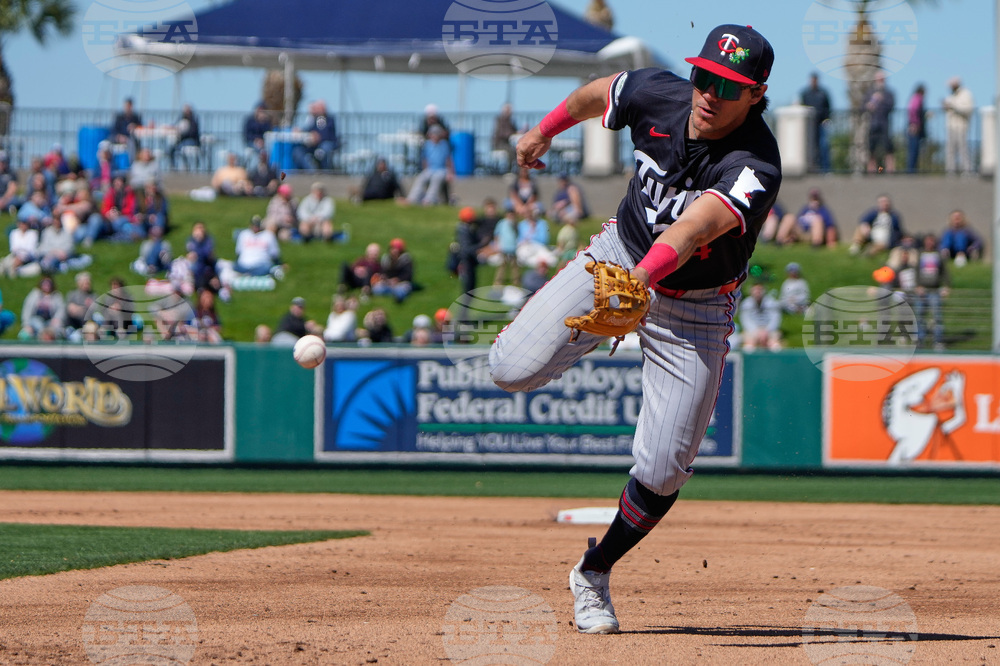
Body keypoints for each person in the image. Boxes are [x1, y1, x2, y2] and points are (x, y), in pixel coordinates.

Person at [488, 24, 780, 634]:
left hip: (694, 303)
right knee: (509, 370)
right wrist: (543, 131)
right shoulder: (657, 92)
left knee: (666, 468)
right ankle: (588, 338)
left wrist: (642, 282)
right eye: (704, 75)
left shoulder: (755, 164)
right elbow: (599, 92)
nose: (709, 91)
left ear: (756, 95)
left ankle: (593, 571)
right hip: (617, 254)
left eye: (729, 86)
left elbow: (694, 229)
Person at [912, 233, 949, 350]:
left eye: (932, 241)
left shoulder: (938, 255)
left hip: (935, 290)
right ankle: (920, 340)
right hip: (922, 290)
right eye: (928, 241)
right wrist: (917, 286)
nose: (929, 243)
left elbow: (945, 272)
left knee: (937, 316)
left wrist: (947, 286)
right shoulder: (920, 254)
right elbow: (916, 271)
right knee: (919, 315)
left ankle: (938, 341)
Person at [405, 125, 453, 206]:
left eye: (437, 134)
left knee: (436, 179)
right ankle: (411, 199)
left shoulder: (444, 145)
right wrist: (425, 169)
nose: (434, 136)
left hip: (442, 170)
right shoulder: (427, 145)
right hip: (430, 169)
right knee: (421, 178)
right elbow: (425, 160)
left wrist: (450, 173)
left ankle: (428, 200)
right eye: (433, 134)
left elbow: (448, 160)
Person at [294, 100, 340, 171]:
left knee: (324, 149)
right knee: (298, 151)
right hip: (312, 145)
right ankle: (312, 171)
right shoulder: (313, 120)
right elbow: (308, 130)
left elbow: (327, 134)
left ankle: (326, 171)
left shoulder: (330, 120)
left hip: (325, 144)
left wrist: (319, 138)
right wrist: (300, 131)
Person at [943, 77, 975, 175]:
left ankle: (967, 170)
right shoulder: (950, 95)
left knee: (963, 148)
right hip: (951, 126)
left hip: (961, 126)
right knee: (950, 149)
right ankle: (950, 170)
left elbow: (968, 109)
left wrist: (955, 107)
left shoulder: (966, 94)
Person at [800, 72, 831, 172]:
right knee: (810, 146)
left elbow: (828, 107)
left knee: (823, 145)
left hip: (821, 123)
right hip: (809, 125)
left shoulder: (823, 93)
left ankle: (825, 169)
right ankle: (812, 168)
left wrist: (827, 119)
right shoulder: (806, 94)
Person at [866, 72, 895, 174]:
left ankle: (890, 171)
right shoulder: (870, 93)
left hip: (884, 125)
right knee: (871, 149)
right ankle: (872, 172)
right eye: (878, 79)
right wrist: (869, 105)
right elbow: (863, 107)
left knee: (888, 148)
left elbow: (891, 106)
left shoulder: (888, 93)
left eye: (882, 79)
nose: (880, 82)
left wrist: (882, 100)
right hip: (873, 124)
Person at [740, 282, 783, 351]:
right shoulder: (746, 303)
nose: (757, 292)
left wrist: (766, 331)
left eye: (759, 290)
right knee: (749, 346)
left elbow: (775, 320)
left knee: (775, 345)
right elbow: (746, 321)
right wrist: (757, 332)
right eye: (755, 290)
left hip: (770, 330)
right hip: (752, 330)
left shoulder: (772, 302)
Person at [371, 238, 414, 302]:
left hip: (401, 283)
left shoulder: (406, 260)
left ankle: (398, 297)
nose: (394, 251)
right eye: (393, 249)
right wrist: (384, 278)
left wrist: (397, 279)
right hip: (387, 283)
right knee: (377, 289)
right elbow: (382, 272)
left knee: (401, 290)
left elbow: (408, 275)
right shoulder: (386, 259)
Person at [454, 206, 480, 295]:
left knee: (471, 287)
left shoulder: (466, 228)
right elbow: (467, 248)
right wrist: (480, 246)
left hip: (468, 261)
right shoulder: (463, 230)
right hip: (466, 261)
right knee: (468, 287)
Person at [169, 104, 201, 170]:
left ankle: (187, 165)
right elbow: (176, 126)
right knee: (172, 149)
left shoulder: (193, 120)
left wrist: (183, 134)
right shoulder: (181, 119)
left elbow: (193, 132)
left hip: (191, 140)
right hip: (182, 140)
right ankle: (173, 165)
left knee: (183, 149)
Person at [905, 84, 927, 173]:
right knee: (913, 150)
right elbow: (913, 111)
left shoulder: (915, 98)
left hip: (915, 126)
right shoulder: (917, 99)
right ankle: (911, 171)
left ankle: (912, 170)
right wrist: (914, 124)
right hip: (915, 127)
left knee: (914, 150)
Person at [492, 103, 518, 172]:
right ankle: (509, 170)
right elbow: (503, 133)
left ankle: (520, 170)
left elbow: (514, 130)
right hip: (499, 143)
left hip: (507, 143)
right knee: (511, 151)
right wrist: (513, 133)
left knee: (518, 149)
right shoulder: (500, 120)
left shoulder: (510, 121)